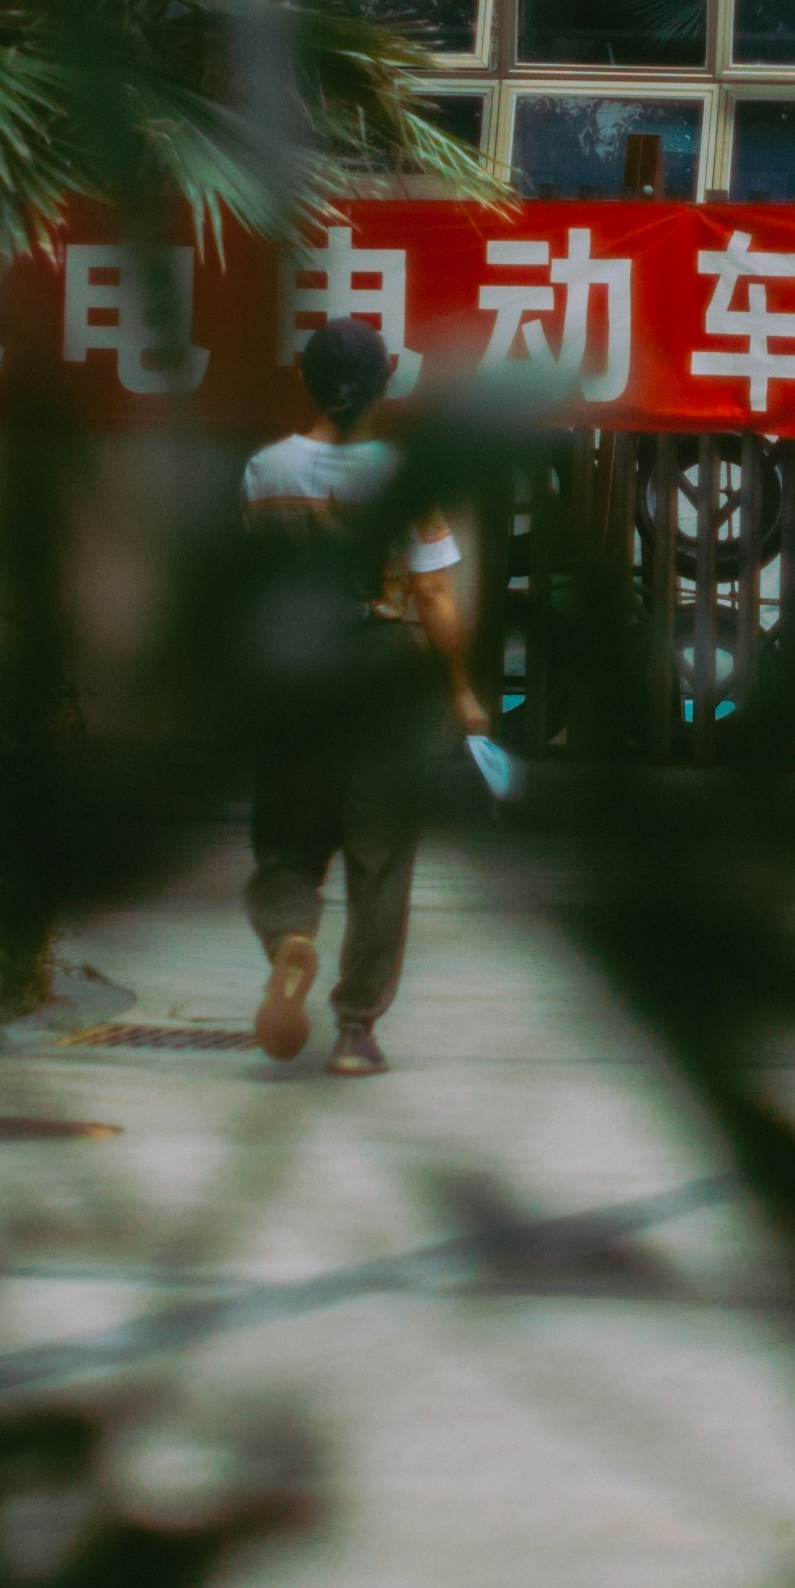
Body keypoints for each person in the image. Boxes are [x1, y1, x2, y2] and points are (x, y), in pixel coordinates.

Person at [242, 322, 490, 1079]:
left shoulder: (266, 470)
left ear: (307, 383)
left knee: (285, 843)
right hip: (383, 674)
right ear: (384, 385)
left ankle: (290, 934)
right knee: (381, 859)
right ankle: (355, 1032)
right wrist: (461, 692)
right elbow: (436, 595)